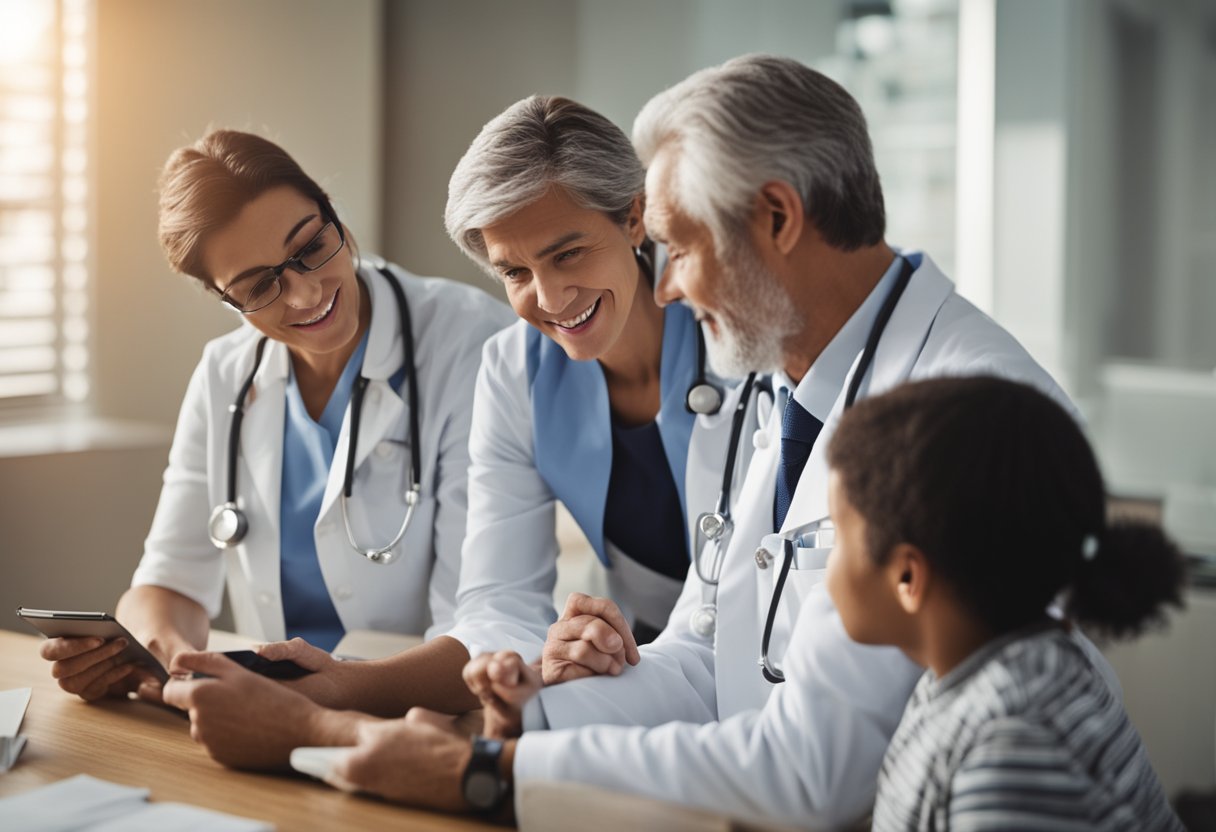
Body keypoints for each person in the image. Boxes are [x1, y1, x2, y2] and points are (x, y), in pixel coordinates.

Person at [238, 54, 1118, 827]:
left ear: (776, 218)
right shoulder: (791, 380)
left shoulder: (964, 411)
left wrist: (483, 771)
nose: (667, 292)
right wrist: (523, 717)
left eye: (681, 248)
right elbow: (706, 656)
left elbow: (815, 771)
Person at [157, 97, 759, 759]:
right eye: (515, 272)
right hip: (637, 663)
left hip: (764, 660)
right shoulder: (515, 367)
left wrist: (344, 693)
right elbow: (501, 604)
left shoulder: (739, 338)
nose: (550, 298)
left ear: (635, 217)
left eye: (568, 253)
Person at [39, 129, 513, 703]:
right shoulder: (225, 374)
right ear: (225, 299)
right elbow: (168, 581)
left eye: (311, 248)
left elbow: (481, 630)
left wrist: (329, 693)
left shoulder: (473, 344)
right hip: (267, 713)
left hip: (426, 716)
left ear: (331, 213)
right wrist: (152, 658)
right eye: (260, 285)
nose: (305, 294)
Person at [824, 376, 1185, 831]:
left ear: (907, 576)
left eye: (837, 533)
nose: (826, 560)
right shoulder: (998, 670)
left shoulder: (1011, 747)